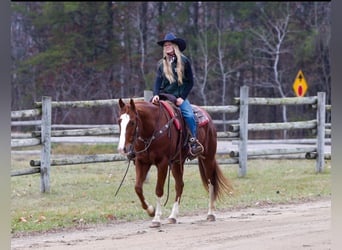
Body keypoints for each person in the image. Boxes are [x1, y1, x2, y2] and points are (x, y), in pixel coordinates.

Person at [151, 32, 203, 157]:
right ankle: (142, 145)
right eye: (165, 45)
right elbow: (157, 82)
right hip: (164, 95)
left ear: (175, 46)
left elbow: (190, 82)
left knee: (189, 115)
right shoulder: (161, 64)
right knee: (146, 114)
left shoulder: (184, 61)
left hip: (178, 97)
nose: (167, 47)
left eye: (169, 45)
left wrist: (182, 98)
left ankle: (193, 142)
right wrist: (155, 94)